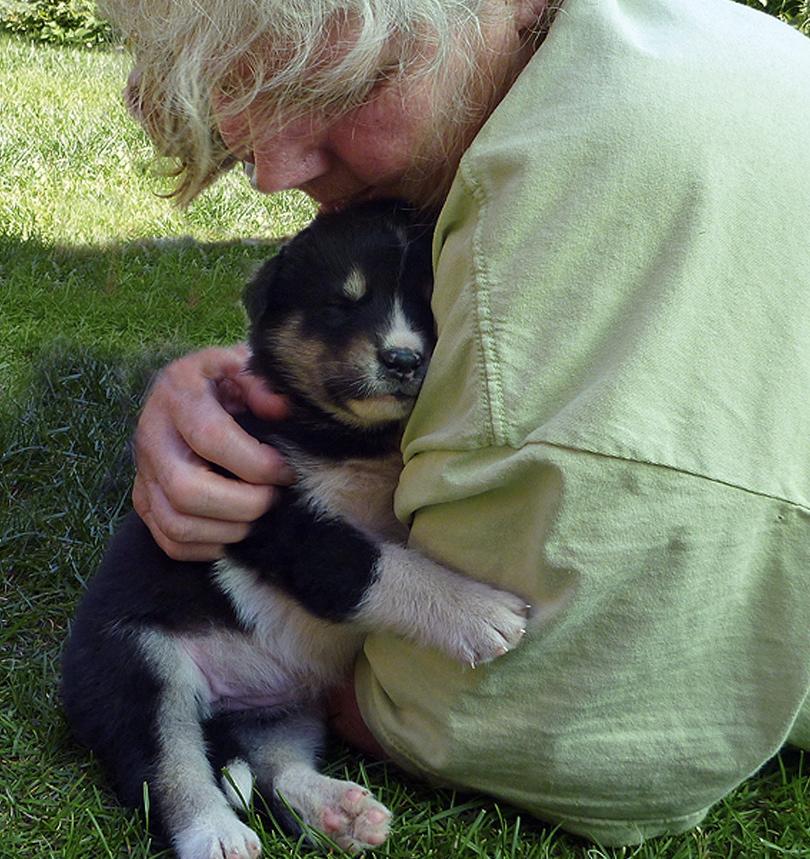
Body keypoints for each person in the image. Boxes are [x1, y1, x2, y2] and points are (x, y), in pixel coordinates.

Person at [99, 0, 810, 846]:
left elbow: (557, 731)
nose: (271, 170)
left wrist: (295, 666)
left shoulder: (572, 194)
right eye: (245, 97)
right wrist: (234, 383)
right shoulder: (656, 44)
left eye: (343, 83)